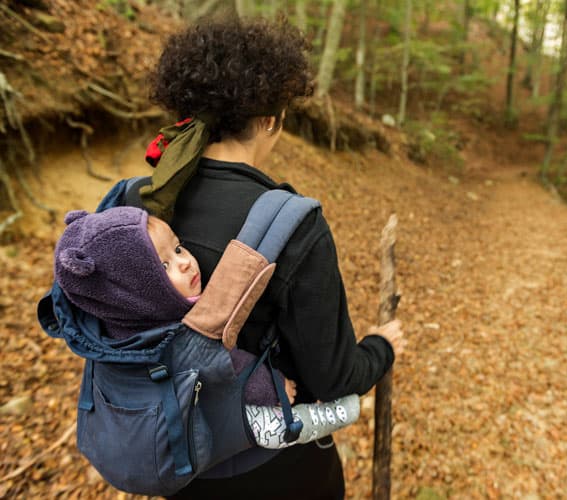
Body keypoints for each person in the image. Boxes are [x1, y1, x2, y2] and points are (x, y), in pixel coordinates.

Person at [124, 18, 405, 498]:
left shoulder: (139, 206)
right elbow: (335, 379)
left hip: (176, 460)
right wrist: (382, 346)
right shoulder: (293, 225)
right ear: (272, 119)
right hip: (275, 470)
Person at [53, 205, 362, 449]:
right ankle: (328, 417)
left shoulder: (115, 321)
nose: (185, 262)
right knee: (266, 427)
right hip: (190, 425)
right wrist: (276, 385)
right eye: (163, 266)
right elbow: (230, 368)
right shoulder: (176, 337)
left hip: (138, 421)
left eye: (177, 248)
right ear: (131, 291)